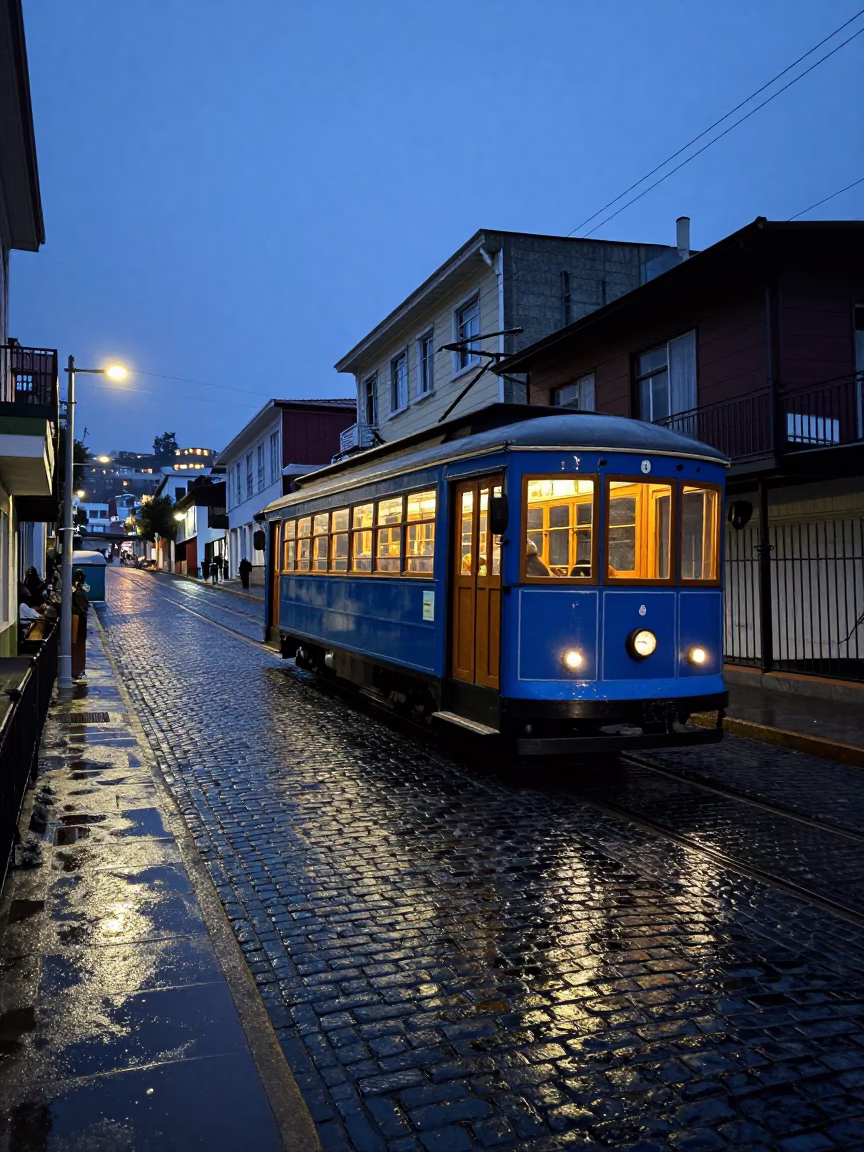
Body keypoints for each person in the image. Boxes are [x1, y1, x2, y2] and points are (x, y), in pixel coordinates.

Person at [71, 569, 89, 679]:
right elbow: (83, 607)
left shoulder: (78, 591)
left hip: (79, 621)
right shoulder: (78, 592)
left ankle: (78, 668)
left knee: (79, 645)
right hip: (78, 620)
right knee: (78, 645)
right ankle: (77, 668)